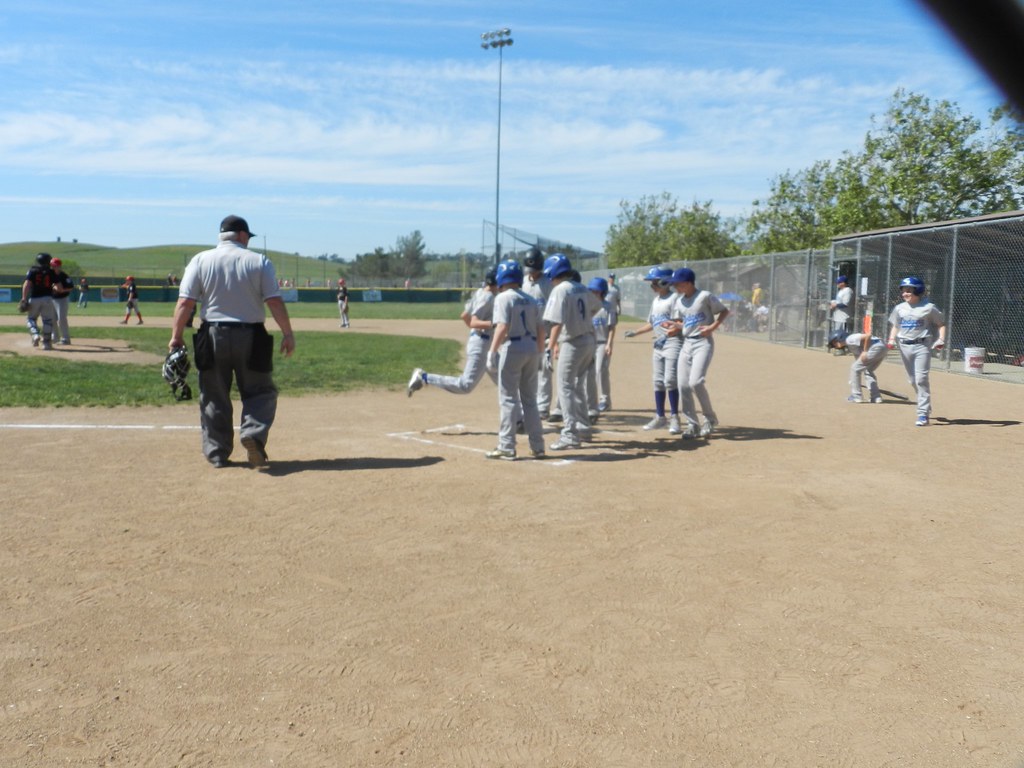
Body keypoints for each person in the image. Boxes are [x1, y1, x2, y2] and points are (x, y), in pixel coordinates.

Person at [169, 215, 295, 469]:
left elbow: (185, 302)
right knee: (260, 391)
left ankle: (217, 453)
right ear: (241, 235)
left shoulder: (200, 260)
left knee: (213, 395)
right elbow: (273, 301)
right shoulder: (259, 261)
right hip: (252, 335)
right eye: (247, 236)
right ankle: (253, 434)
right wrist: (287, 333)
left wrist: (176, 336)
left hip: (212, 334)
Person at [484, 260, 547, 460]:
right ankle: (538, 446)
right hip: (531, 346)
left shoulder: (503, 298)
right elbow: (540, 329)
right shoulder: (530, 299)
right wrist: (538, 353)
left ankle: (507, 446)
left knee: (509, 398)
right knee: (530, 400)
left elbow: (502, 327)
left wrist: (492, 351)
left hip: (513, 347)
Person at [407, 267, 498, 397]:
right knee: (465, 385)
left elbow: (464, 316)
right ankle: (424, 377)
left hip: (482, 342)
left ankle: (521, 410)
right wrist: (492, 325)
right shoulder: (488, 298)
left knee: (504, 378)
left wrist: (476, 333)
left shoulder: (480, 292)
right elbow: (473, 322)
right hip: (481, 345)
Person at [542, 254, 601, 451]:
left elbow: (556, 322)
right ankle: (583, 427)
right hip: (588, 340)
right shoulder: (580, 286)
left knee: (565, 386)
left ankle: (570, 434)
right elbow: (596, 306)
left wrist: (550, 347)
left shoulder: (561, 289)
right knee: (577, 386)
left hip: (572, 342)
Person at [665, 267, 729, 439]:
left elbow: (724, 311)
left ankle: (709, 419)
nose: (675, 287)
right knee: (683, 385)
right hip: (687, 343)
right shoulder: (679, 301)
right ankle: (692, 424)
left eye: (677, 283)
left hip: (703, 343)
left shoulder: (704, 296)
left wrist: (712, 327)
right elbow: (685, 324)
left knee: (696, 382)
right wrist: (674, 327)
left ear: (687, 282)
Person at [622, 266, 682, 434]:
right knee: (657, 381)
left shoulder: (674, 298)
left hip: (673, 343)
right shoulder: (656, 301)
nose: (652, 285)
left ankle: (675, 418)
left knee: (670, 380)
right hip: (658, 344)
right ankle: (660, 417)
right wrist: (636, 332)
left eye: (654, 282)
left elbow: (678, 323)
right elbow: (652, 322)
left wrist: (668, 334)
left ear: (665, 282)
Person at [886, 276, 946, 427]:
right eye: (903, 291)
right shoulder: (899, 308)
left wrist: (941, 339)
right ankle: (924, 403)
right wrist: (891, 339)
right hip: (904, 345)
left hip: (922, 345)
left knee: (921, 379)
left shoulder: (929, 307)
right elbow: (895, 325)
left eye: (908, 291)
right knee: (912, 380)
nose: (905, 294)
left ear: (918, 290)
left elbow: (941, 324)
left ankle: (923, 413)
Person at [522, 246, 556, 420]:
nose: (532, 273)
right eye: (530, 270)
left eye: (535, 270)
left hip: (545, 333)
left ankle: (543, 407)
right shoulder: (523, 282)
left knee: (544, 372)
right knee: (527, 372)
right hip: (527, 334)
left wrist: (554, 340)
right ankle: (527, 405)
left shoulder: (548, 284)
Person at [585, 276, 617, 416]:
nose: (593, 293)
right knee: (588, 373)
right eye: (591, 291)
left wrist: (609, 344)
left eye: (596, 291)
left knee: (600, 371)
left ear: (603, 292)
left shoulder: (608, 307)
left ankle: (605, 400)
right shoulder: (587, 307)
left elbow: (611, 327)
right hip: (589, 343)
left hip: (603, 343)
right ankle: (590, 400)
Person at [828, 330, 887, 403]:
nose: (835, 345)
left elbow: (868, 335)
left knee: (854, 368)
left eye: (834, 342)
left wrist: (865, 351)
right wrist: (853, 379)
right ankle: (876, 397)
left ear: (839, 338)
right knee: (868, 370)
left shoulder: (850, 339)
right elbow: (859, 363)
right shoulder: (851, 345)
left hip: (875, 347)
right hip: (882, 348)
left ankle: (856, 396)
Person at [20, 252, 57, 350]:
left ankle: (35, 334)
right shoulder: (51, 271)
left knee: (31, 319)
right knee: (47, 321)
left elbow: (27, 284)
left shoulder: (32, 270)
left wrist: (24, 298)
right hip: (48, 298)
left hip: (35, 298)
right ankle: (47, 343)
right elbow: (58, 286)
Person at [50, 258, 74, 345]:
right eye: (52, 265)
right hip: (52, 299)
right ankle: (54, 337)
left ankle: (66, 338)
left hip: (62, 300)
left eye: (55, 265)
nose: (53, 267)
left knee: (61, 319)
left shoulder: (64, 276)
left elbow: (71, 287)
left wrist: (62, 290)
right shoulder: (50, 275)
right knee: (52, 319)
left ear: (59, 266)